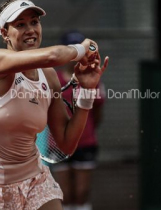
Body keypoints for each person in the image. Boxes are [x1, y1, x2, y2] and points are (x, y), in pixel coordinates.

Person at [0, 0, 109, 210]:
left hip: (33, 181)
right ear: (4, 33)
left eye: (34, 22)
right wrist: (83, 48)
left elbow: (66, 143)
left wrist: (87, 90)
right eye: (20, 24)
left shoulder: (49, 76)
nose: (30, 30)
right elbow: (53, 55)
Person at [52, 31, 105, 210]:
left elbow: (97, 110)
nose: (75, 55)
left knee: (82, 192)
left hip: (85, 141)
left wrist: (84, 129)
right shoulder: (54, 79)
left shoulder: (92, 77)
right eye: (71, 50)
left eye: (79, 49)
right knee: (64, 192)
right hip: (58, 143)